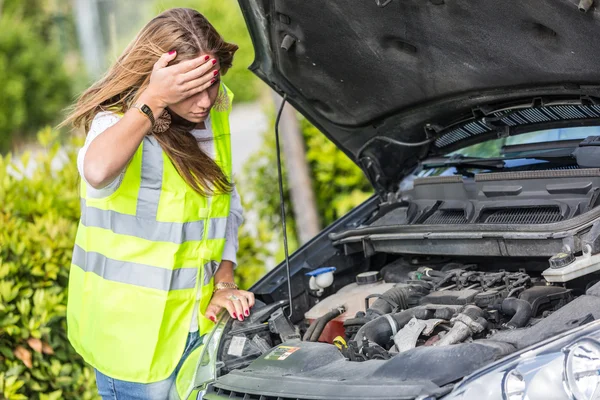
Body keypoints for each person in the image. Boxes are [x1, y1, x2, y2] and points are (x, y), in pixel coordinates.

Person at [60, 8, 255, 399]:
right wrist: (152, 101)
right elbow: (96, 170)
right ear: (159, 78)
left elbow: (224, 210)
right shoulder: (116, 122)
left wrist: (224, 280)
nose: (203, 102)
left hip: (196, 330)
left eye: (211, 84)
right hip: (132, 349)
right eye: (188, 90)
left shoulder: (212, 116)